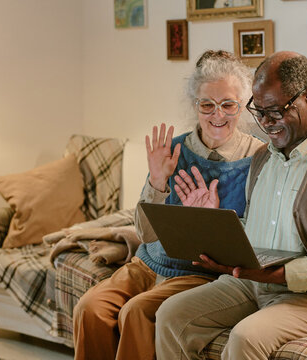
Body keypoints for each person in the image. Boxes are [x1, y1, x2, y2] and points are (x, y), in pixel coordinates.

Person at [155, 51, 307, 359]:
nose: (265, 123)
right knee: (171, 314)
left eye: (275, 112)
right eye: (258, 111)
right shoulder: (263, 158)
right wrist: (219, 230)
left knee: (245, 338)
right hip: (254, 282)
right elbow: (255, 231)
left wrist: (277, 275)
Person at [72, 50, 264, 360]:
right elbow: (146, 235)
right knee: (89, 309)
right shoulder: (172, 151)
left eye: (228, 104)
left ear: (241, 107)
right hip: (146, 264)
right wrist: (157, 183)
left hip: (199, 276)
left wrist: (211, 222)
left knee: (136, 313)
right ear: (195, 106)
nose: (218, 115)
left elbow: (256, 244)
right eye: (207, 105)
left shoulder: (258, 159)